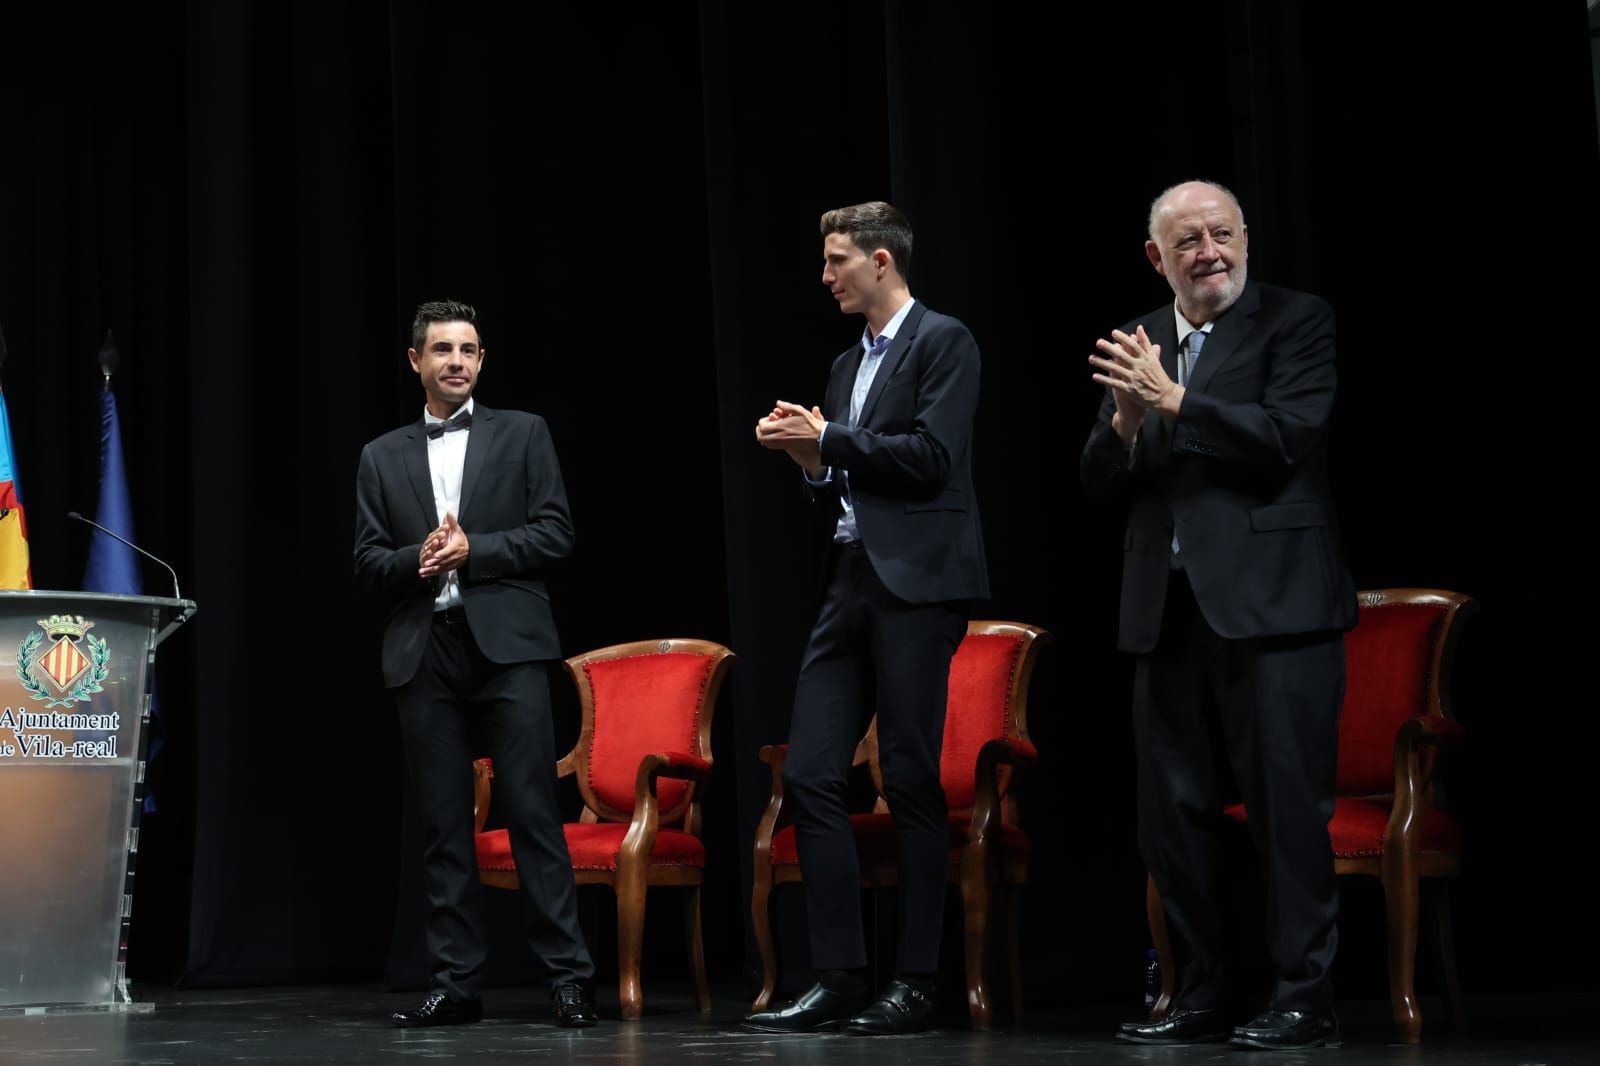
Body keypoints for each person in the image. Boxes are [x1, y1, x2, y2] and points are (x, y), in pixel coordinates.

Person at [1082, 181, 1355, 1050]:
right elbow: (1098, 485)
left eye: (1223, 234)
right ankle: (1199, 995)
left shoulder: (1295, 320)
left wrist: (1174, 403)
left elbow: (1286, 437)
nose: (1211, 251)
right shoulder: (1143, 339)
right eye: (1189, 240)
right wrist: (1124, 423)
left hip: (1276, 610)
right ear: (1158, 258)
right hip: (1165, 615)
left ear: (1245, 239)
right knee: (1173, 817)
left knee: (1286, 814)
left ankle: (1303, 997)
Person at [745, 202, 988, 1036]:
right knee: (812, 772)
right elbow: (840, 480)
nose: (826, 275)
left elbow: (930, 457)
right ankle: (842, 974)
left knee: (911, 777)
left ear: (882, 261)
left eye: (837, 259)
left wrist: (832, 440)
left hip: (917, 587)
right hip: (848, 580)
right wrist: (811, 458)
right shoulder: (846, 364)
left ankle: (917, 980)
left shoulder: (945, 341)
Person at [354, 299, 597, 1029]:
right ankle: (455, 984)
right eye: (442, 350)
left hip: (509, 647)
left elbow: (556, 533)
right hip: (424, 650)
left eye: (468, 350)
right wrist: (416, 559)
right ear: (416, 362)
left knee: (532, 814)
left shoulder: (524, 434)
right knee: (442, 827)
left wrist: (477, 550)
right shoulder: (380, 455)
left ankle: (568, 978)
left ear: (482, 360)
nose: (456, 361)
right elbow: (366, 563)